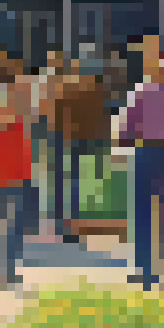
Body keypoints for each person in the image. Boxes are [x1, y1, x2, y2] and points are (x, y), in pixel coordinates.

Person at [115, 42, 164, 288]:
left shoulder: (141, 91)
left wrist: (126, 142)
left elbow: (126, 128)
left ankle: (144, 269)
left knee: (141, 213)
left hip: (144, 151)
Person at [43, 51, 103, 244]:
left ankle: (63, 226)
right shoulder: (71, 83)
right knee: (65, 182)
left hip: (63, 135)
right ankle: (65, 226)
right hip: (67, 135)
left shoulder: (58, 84)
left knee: (63, 182)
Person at [0, 77, 33, 291]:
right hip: (5, 179)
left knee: (11, 229)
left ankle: (8, 273)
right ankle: (6, 273)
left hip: (15, 179)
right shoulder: (4, 119)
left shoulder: (18, 120)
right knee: (7, 228)